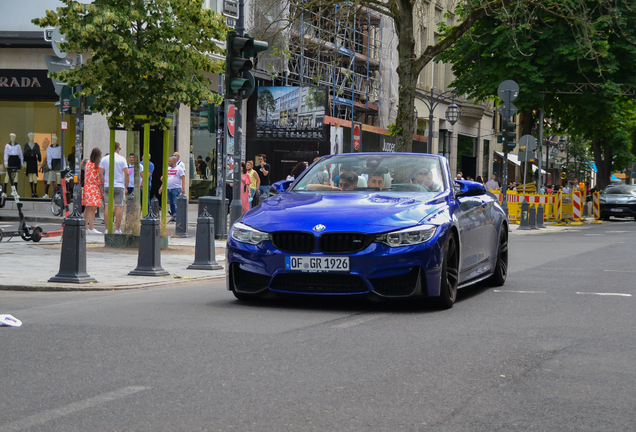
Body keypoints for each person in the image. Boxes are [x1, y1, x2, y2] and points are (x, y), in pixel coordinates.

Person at [100, 142, 129, 234]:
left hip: (108, 184)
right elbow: (127, 173)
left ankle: (107, 228)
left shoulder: (104, 159)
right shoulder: (122, 159)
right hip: (119, 185)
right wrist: (126, 185)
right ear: (117, 149)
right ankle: (117, 229)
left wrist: (104, 181)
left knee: (107, 206)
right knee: (118, 206)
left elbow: (100, 173)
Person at [83, 147, 104, 234]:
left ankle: (85, 227)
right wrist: (102, 192)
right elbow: (99, 180)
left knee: (87, 208)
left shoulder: (87, 163)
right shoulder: (98, 166)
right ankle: (91, 228)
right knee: (93, 209)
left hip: (87, 187)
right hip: (94, 188)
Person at [159, 156, 185, 222]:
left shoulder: (179, 169)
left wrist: (183, 188)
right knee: (171, 203)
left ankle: (177, 216)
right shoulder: (168, 169)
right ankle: (173, 216)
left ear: (173, 162)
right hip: (169, 188)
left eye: (169, 161)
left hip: (176, 188)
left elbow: (183, 178)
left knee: (175, 203)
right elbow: (166, 178)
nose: (168, 162)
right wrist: (161, 187)